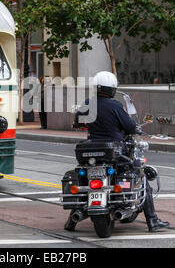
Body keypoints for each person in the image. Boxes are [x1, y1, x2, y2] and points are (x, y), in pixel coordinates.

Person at [68, 71, 169, 232]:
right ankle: (152, 221)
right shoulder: (115, 106)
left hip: (91, 150)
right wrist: (135, 129)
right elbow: (129, 126)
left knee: (86, 179)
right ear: (112, 90)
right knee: (140, 177)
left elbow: (76, 122)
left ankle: (71, 222)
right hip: (114, 150)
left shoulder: (88, 103)